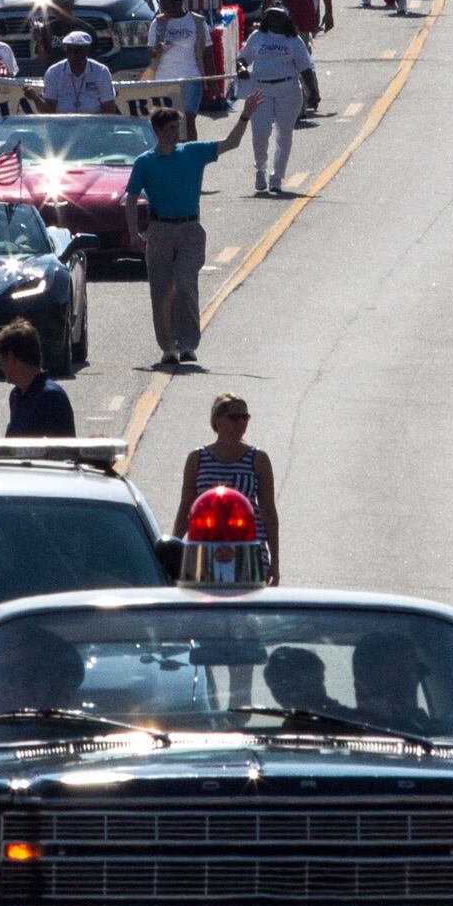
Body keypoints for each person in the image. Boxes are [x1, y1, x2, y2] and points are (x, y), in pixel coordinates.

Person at [125, 99, 263, 367]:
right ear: (158, 130)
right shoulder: (145, 162)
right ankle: (168, 347)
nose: (177, 133)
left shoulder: (193, 152)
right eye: (171, 128)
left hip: (190, 228)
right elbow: (131, 199)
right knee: (162, 290)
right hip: (160, 229)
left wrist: (244, 117)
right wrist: (134, 233)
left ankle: (188, 344)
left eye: (178, 127)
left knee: (185, 282)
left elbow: (230, 143)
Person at [172, 391, 281, 579]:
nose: (241, 423)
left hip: (247, 551)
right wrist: (172, 550)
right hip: (204, 551)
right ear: (217, 420)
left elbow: (268, 511)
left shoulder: (258, 459)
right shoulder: (197, 458)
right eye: (234, 417)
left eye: (245, 417)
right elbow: (186, 507)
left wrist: (275, 562)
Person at [239, 3, 313, 195]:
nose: (274, 19)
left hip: (287, 89)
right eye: (271, 15)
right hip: (261, 89)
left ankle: (277, 177)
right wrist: (242, 68)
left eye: (278, 16)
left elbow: (305, 68)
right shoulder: (257, 37)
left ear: (286, 19)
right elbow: (243, 59)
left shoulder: (294, 41)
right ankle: (260, 170)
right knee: (261, 132)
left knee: (284, 134)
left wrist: (313, 92)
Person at [142, 0, 206, 140]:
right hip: (164, 80)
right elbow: (150, 52)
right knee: (166, 121)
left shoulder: (197, 21)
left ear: (178, 3)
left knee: (189, 120)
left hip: (191, 79)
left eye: (166, 4)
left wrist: (214, 83)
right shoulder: (157, 23)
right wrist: (157, 49)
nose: (163, 9)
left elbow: (207, 52)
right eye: (161, 5)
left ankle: (190, 155)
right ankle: (168, 154)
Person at [0, 318, 75, 436]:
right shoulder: (16, 396)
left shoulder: (52, 398)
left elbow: (63, 450)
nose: (1, 367)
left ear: (11, 358)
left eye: (0, 359)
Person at [41, 30, 119, 116]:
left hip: (93, 125)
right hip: (63, 125)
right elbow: (48, 113)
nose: (73, 55)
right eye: (69, 51)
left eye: (78, 51)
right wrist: (35, 98)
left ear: (87, 51)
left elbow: (109, 108)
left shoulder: (101, 71)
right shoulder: (53, 72)